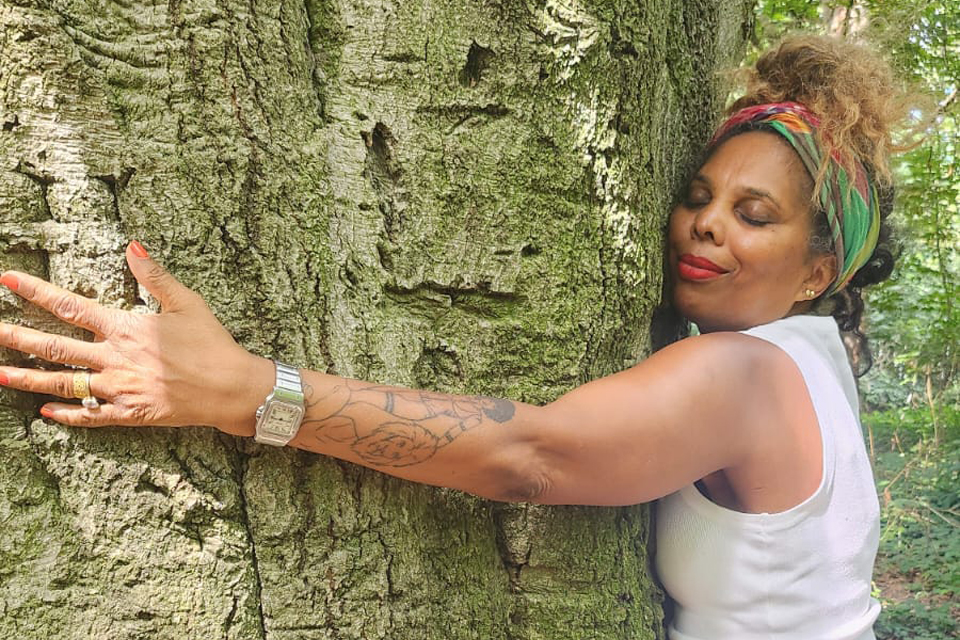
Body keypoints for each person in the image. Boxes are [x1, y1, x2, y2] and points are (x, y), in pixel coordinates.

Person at [0, 35, 913, 639]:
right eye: (698, 196)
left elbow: (533, 455)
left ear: (816, 274)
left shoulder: (744, 373)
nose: (705, 226)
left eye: (755, 215)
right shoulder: (816, 363)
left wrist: (242, 391)